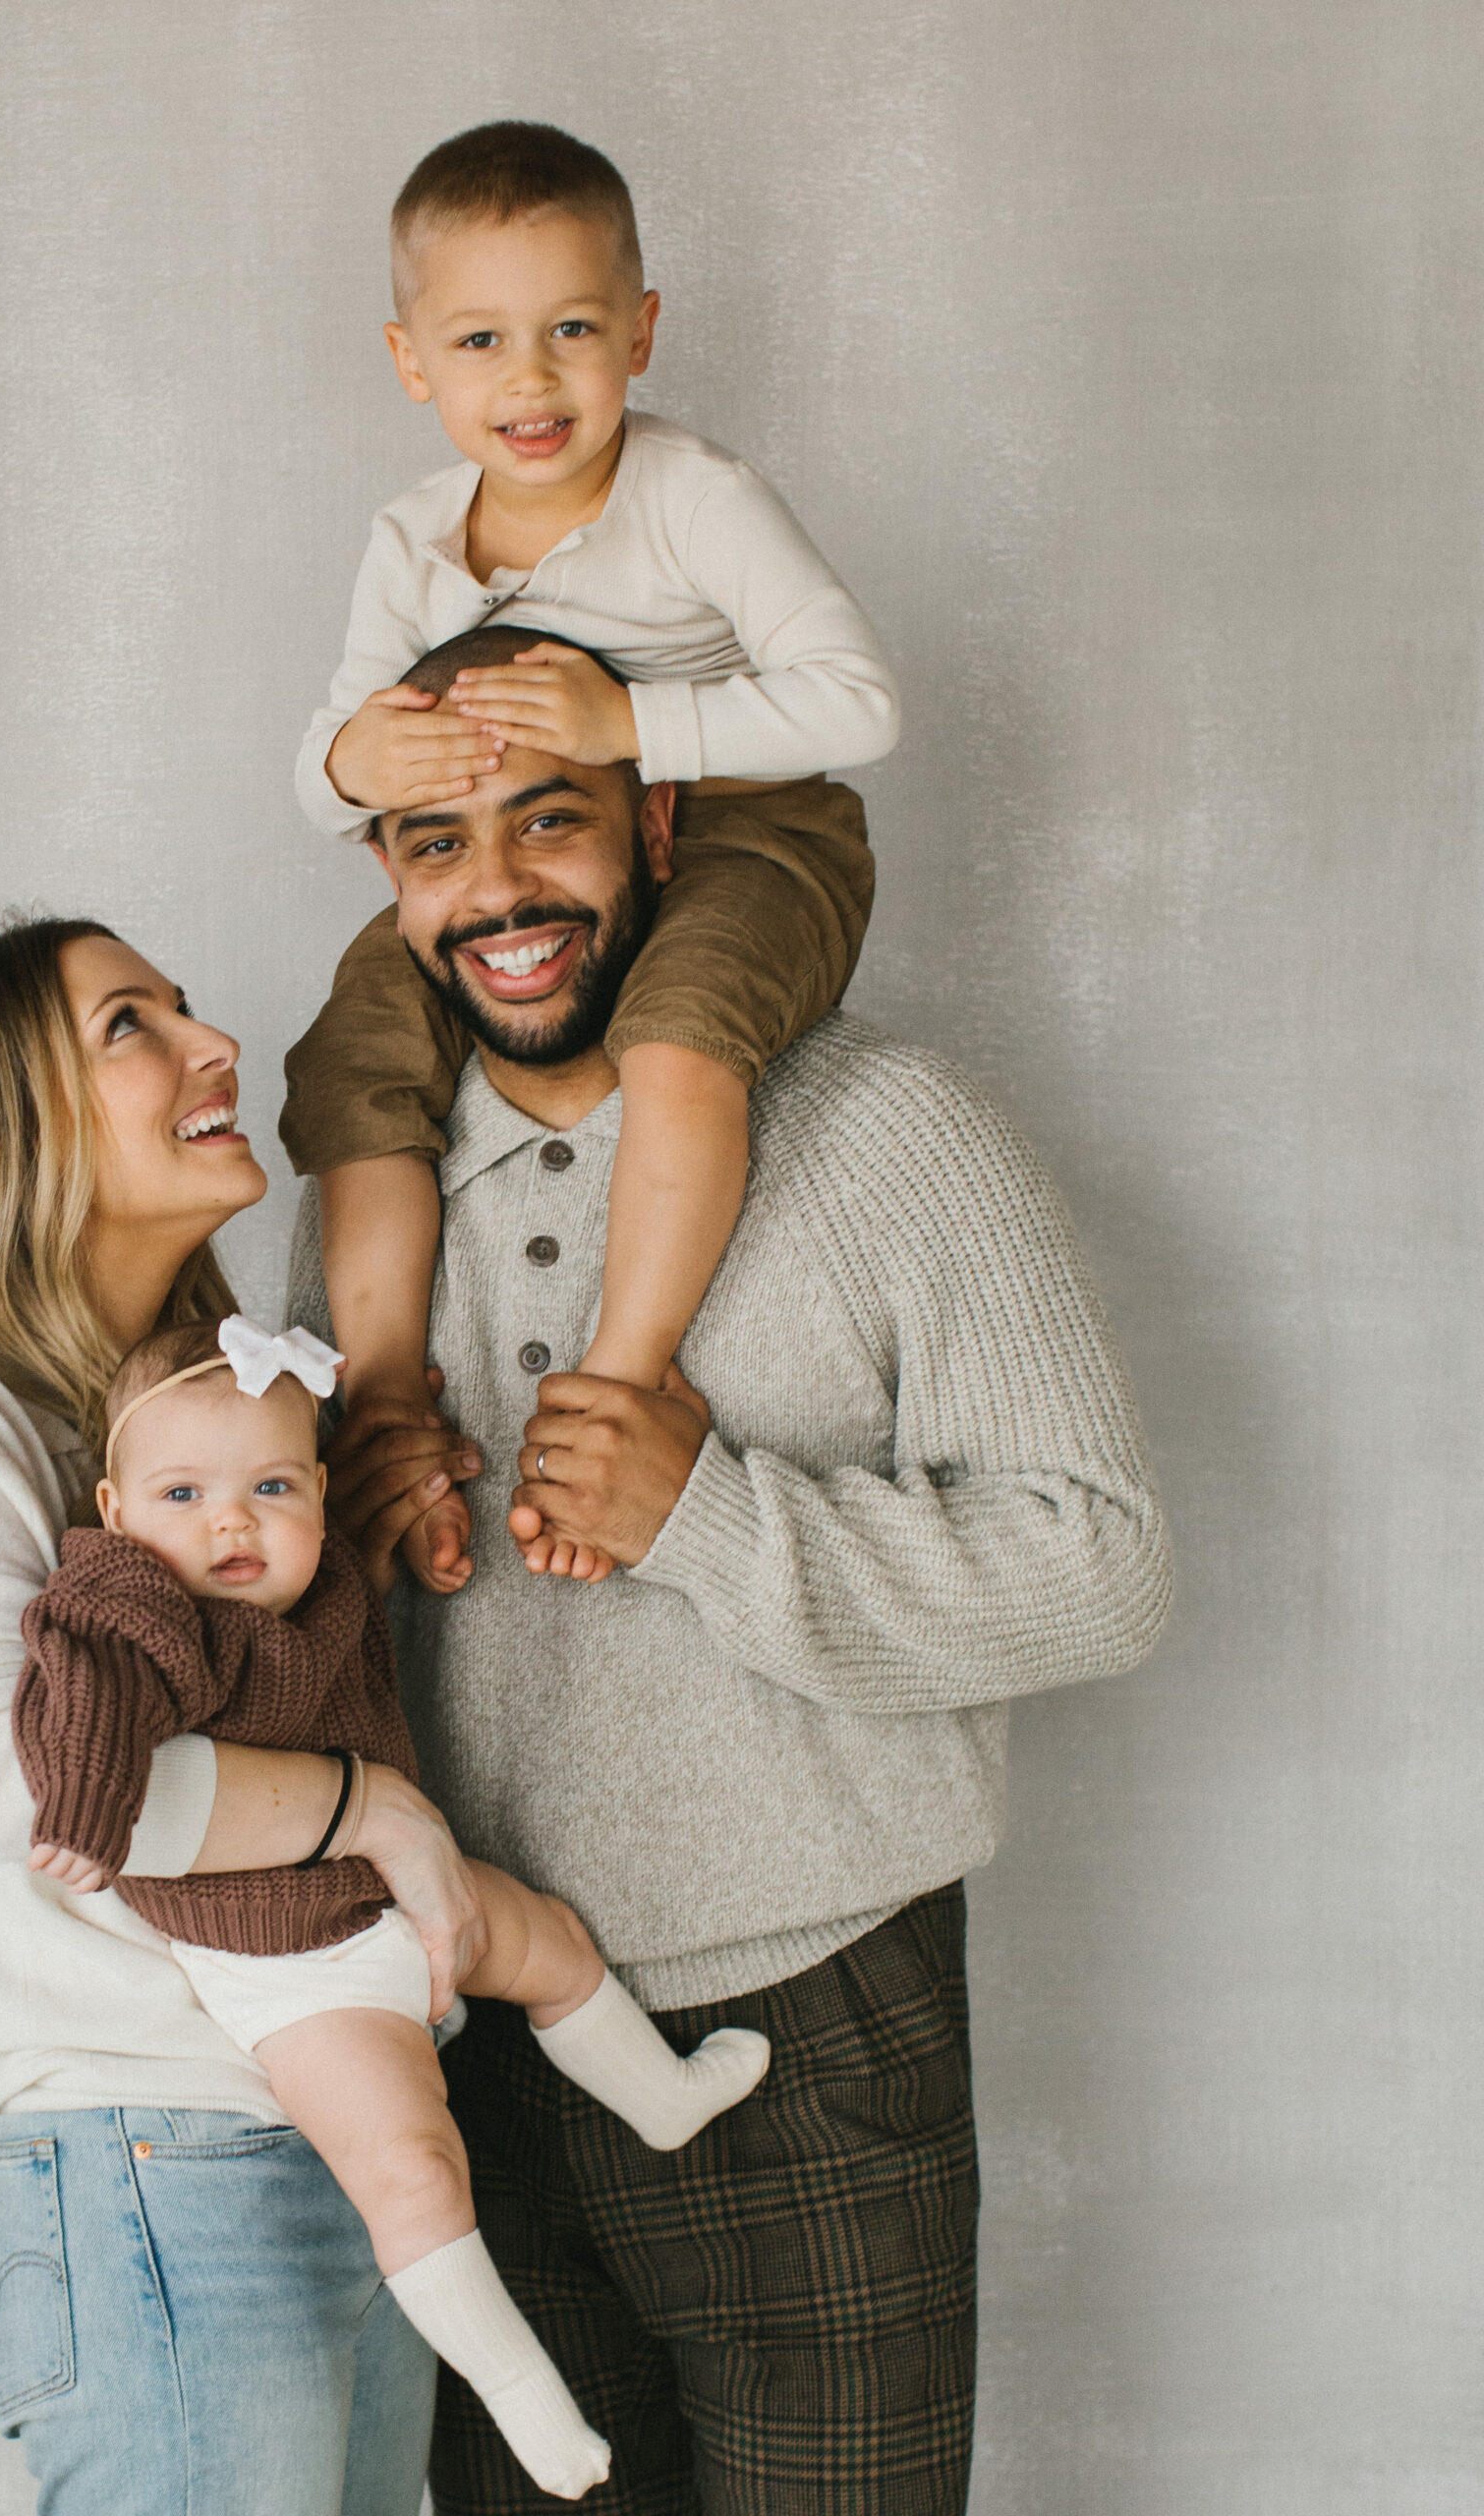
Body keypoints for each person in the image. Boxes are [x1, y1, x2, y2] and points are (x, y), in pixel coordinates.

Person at [291, 626, 1172, 2513]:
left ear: (659, 816)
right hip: (467, 2054)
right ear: (385, 873)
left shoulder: (882, 1130)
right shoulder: (366, 1199)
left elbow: (1102, 1565)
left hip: (814, 2035)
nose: (500, 892)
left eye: (551, 823)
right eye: (437, 844)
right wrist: (337, 1525)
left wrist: (712, 1511)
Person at [0, 916, 504, 2515]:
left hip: (319, 2141)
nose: (209, 1045)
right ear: (4, 1127)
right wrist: (367, 1812)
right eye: (131, 1025)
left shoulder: (203, 1440)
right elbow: (19, 1784)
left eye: (181, 1005)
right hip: (154, 2174)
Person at [284, 120, 897, 1585]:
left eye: (573, 330)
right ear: (411, 361)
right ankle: (383, 1401)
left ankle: (625, 1372)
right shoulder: (413, 540)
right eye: (481, 340)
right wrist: (359, 759)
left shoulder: (697, 499)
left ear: (642, 329)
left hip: (750, 825)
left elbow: (860, 704)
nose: (533, 379)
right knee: (355, 1051)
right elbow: (331, 779)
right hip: (539, 849)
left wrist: (634, 722)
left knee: (679, 1040)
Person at [14, 1313, 770, 2500]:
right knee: (412, 2166)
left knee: (554, 1942)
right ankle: (529, 2405)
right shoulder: (146, 1604)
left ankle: (660, 2097)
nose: (230, 1520)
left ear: (317, 1488)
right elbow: (85, 1669)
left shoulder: (316, 1579)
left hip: (390, 1891)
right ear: (114, 1512)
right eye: (181, 1491)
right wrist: (84, 1797)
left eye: (269, 1484)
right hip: (291, 1965)